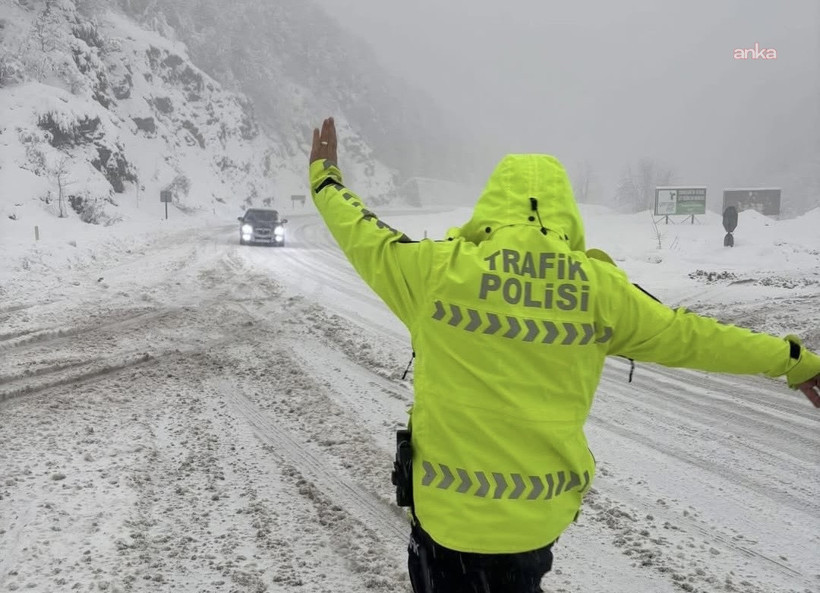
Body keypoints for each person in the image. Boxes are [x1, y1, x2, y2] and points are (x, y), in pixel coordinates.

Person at [307, 117, 820, 593]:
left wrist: (325, 179)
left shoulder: (436, 271)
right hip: (539, 520)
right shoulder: (601, 291)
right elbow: (697, 337)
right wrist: (796, 362)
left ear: (493, 203)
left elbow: (362, 233)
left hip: (450, 522)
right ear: (564, 209)